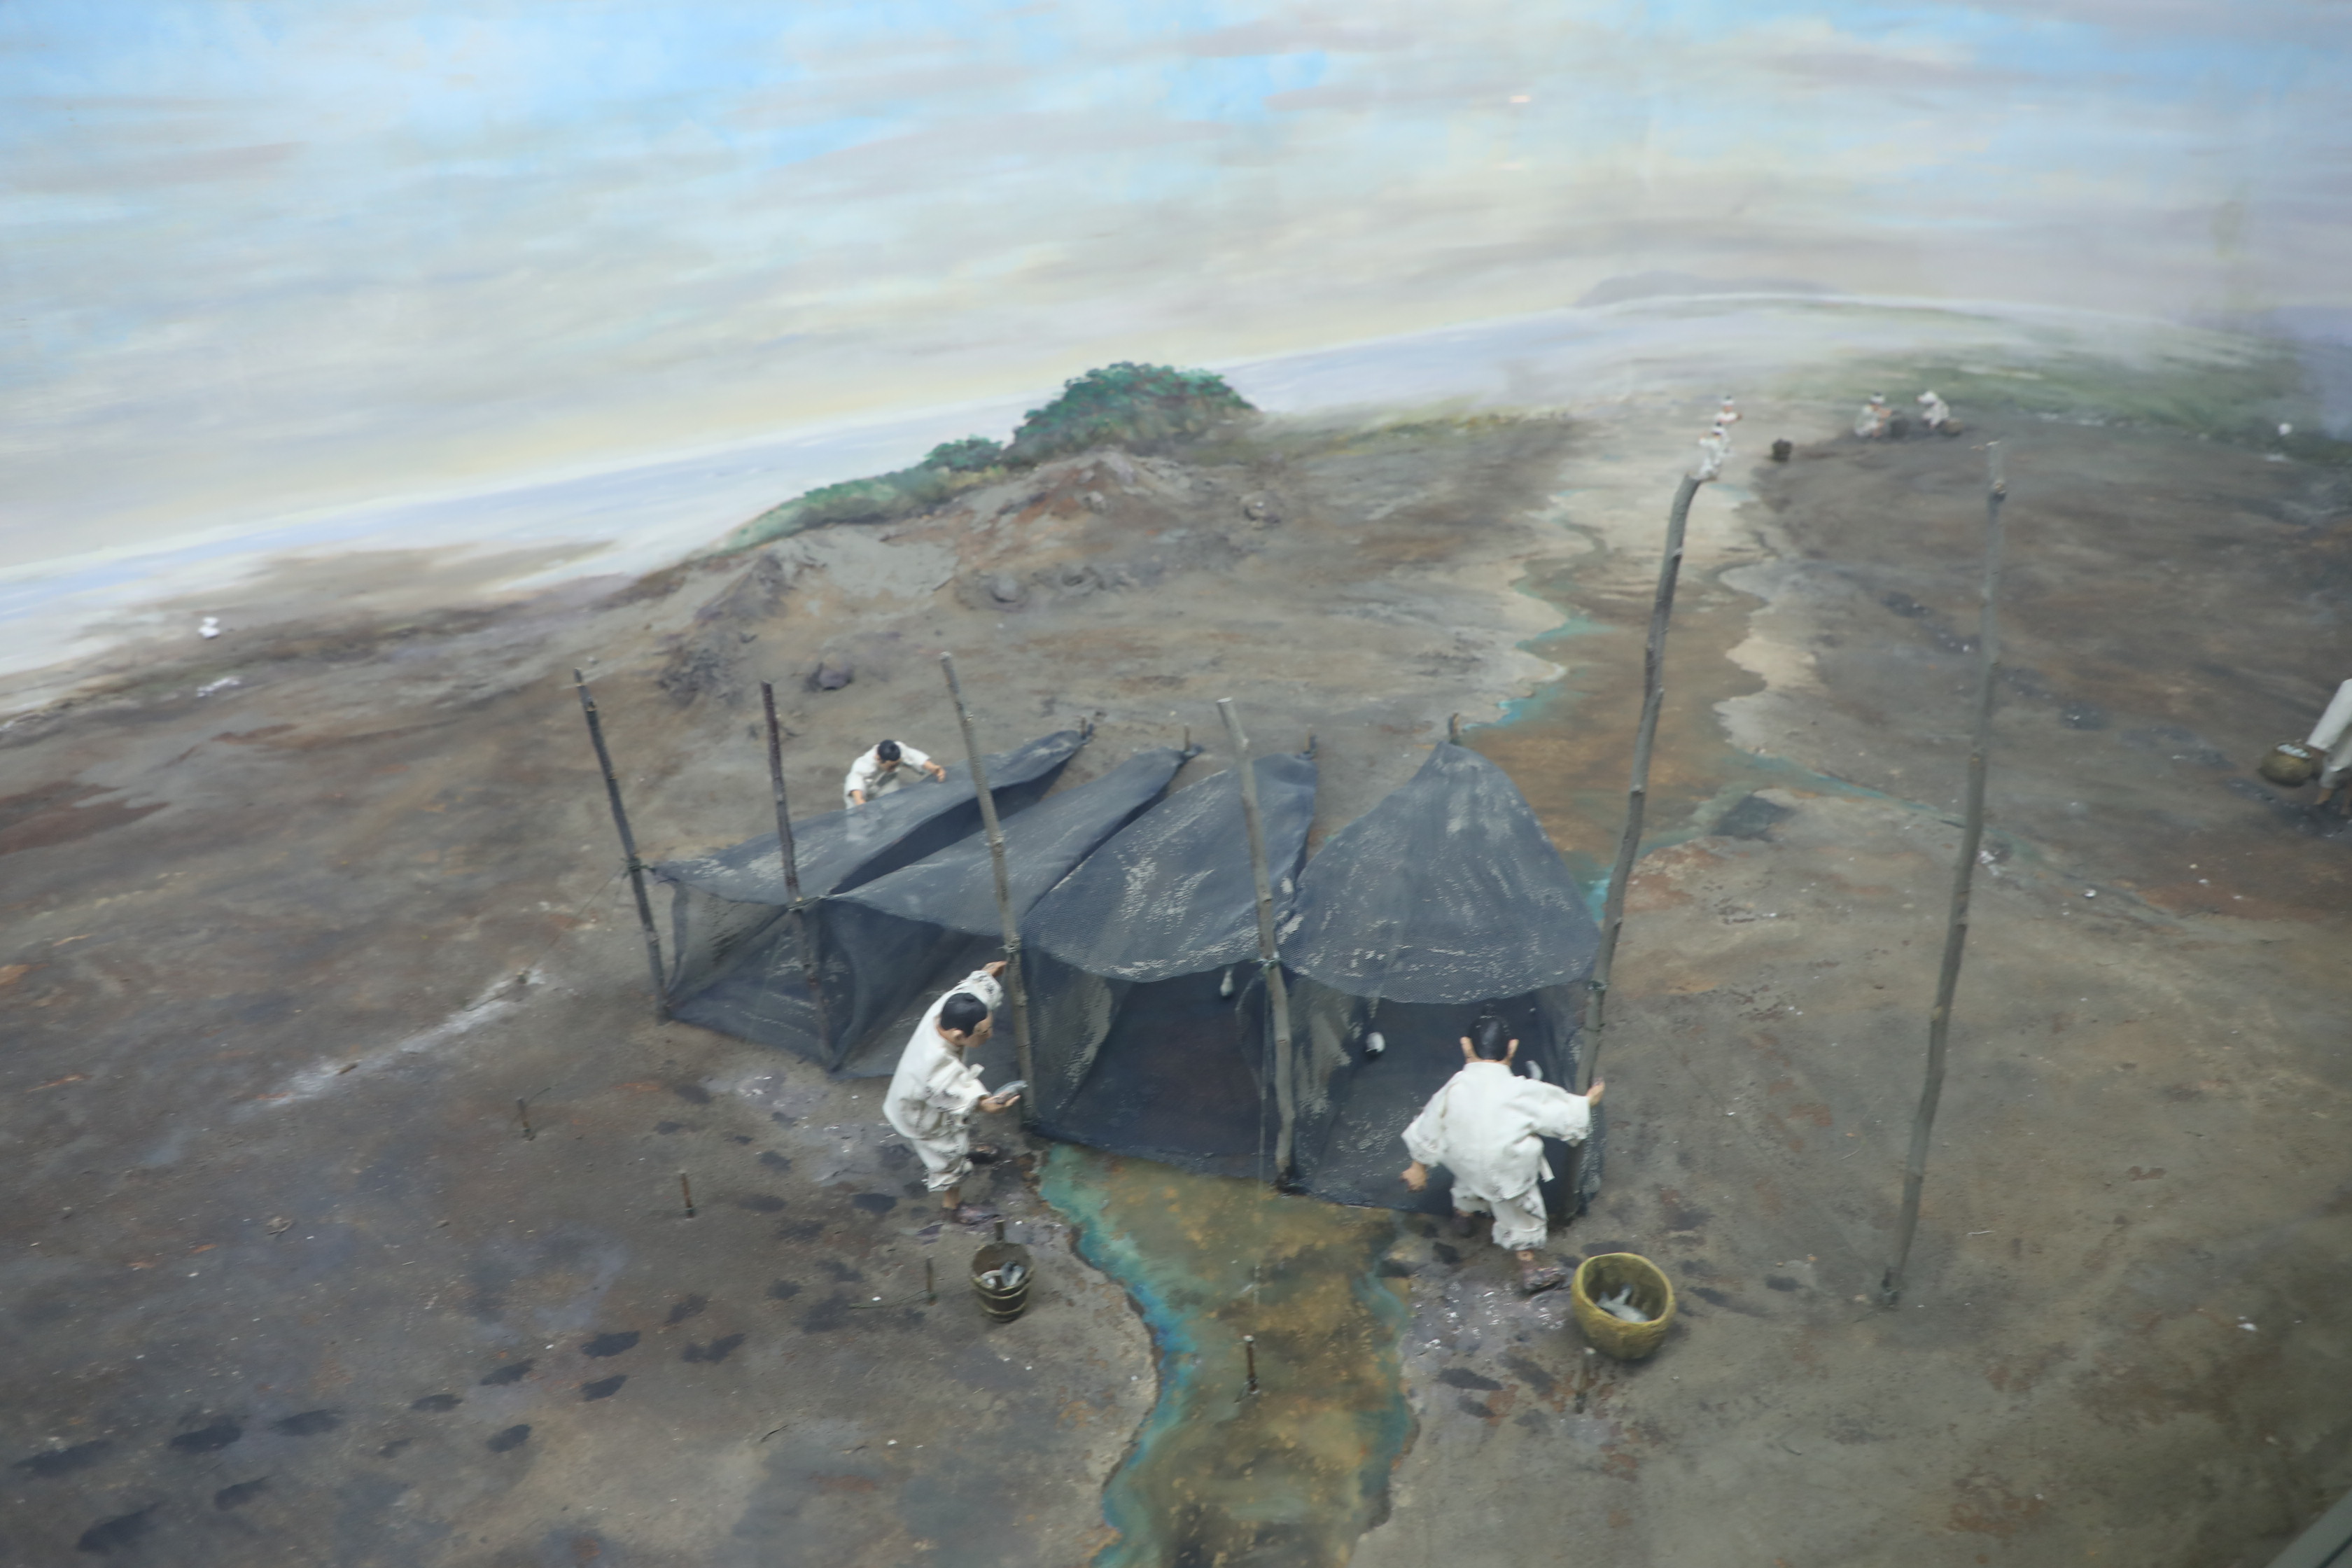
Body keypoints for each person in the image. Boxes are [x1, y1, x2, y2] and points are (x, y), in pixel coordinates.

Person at [1400, 1017, 1604, 1294]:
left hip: (1464, 1162)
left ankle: (1463, 1215)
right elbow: (1560, 1114)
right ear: (1512, 1048)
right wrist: (1587, 1103)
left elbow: (1429, 1122)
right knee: (1520, 1210)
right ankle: (1529, 1268)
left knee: (1469, 1178)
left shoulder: (1455, 1086)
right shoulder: (1521, 1090)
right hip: (1506, 1169)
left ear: (1466, 1046)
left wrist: (1418, 1167)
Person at [883, 961, 1022, 1226]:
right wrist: (989, 1103)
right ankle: (953, 1208)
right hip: (921, 1116)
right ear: (959, 1036)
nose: (990, 1035)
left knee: (958, 1132)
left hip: (929, 1097)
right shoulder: (932, 1066)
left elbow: (972, 991)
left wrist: (988, 975)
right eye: (984, 1032)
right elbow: (965, 1096)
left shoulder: (948, 1008)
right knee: (947, 1152)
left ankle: (965, 1152)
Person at [843, 738, 948, 807]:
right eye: (891, 766)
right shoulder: (864, 764)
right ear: (878, 759)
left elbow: (913, 756)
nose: (894, 769)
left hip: (886, 784)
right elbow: (856, 778)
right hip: (862, 793)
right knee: (861, 823)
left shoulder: (899, 749)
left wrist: (932, 768)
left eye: (896, 765)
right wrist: (859, 800)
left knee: (894, 810)